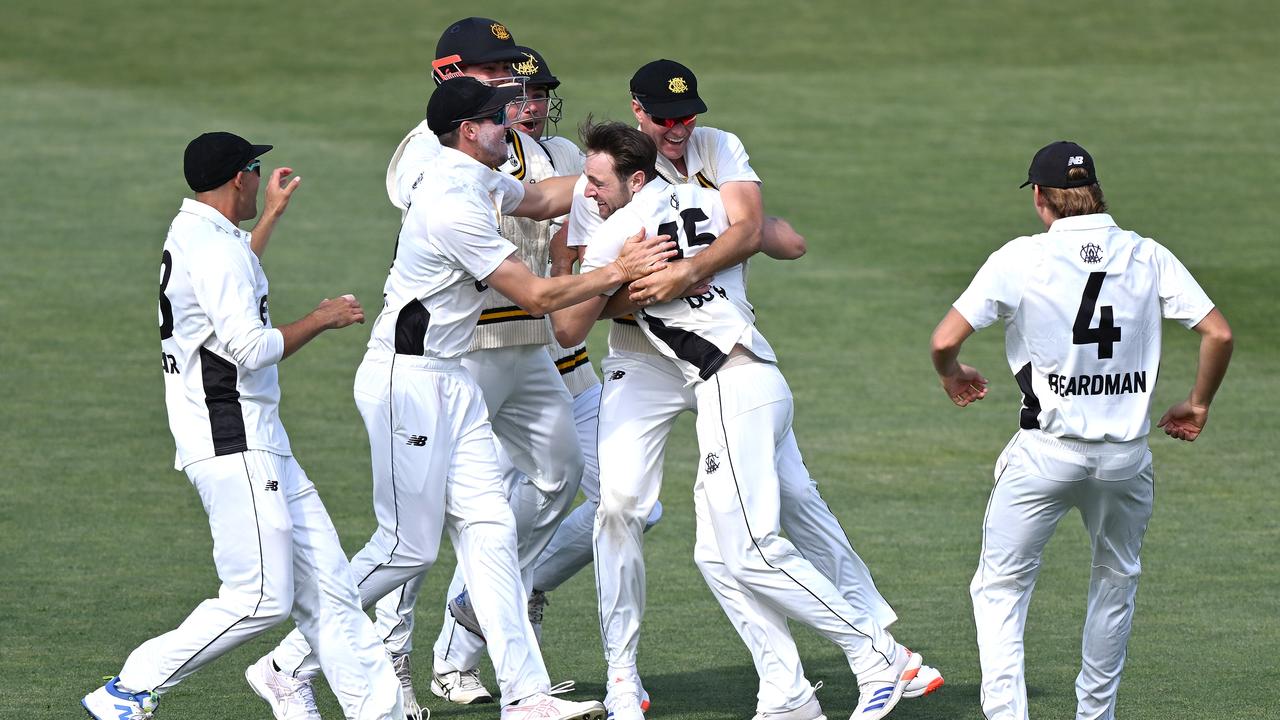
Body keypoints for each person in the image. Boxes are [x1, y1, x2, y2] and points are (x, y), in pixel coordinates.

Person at [253, 78, 674, 720]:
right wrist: (619, 269)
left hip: (451, 379)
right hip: (407, 382)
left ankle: (527, 697)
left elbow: (537, 198)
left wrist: (635, 177)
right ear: (470, 130)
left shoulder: (481, 176)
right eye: (498, 119)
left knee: (493, 532)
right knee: (406, 548)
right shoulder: (451, 200)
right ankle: (286, 666)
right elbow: (534, 296)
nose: (513, 126)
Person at [558, 61, 942, 720]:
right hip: (653, 362)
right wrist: (637, 279)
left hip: (727, 369)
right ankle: (659, 677)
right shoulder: (610, 191)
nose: (681, 128)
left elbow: (773, 235)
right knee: (644, 515)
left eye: (688, 117)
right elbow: (762, 237)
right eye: (665, 118)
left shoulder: (712, 154)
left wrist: (682, 275)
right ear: (639, 115)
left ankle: (872, 654)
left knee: (773, 520)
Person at [81, 132, 405, 720]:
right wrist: (322, 318)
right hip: (233, 442)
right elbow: (250, 348)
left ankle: (377, 712)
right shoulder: (215, 250)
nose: (260, 177)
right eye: (255, 168)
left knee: (331, 590)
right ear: (238, 178)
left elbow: (231, 286)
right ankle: (129, 687)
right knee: (259, 598)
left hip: (259, 442)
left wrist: (271, 218)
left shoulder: (201, 234)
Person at [929, 141, 1233, 720]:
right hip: (1125, 460)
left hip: (1044, 455)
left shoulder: (1019, 258)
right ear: (1095, 192)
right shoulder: (1147, 254)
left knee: (999, 591)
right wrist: (1197, 404)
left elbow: (945, 340)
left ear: (1041, 197)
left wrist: (953, 374)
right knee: (1115, 585)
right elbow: (1217, 333)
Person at [372, 24, 596, 716]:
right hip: (447, 358)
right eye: (497, 70)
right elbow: (503, 251)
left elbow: (541, 201)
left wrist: (623, 172)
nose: (512, 81)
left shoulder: (505, 149)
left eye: (512, 71)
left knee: (547, 487)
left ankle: (495, 638)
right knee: (415, 534)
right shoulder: (429, 159)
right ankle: (379, 664)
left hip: (519, 351)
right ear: (452, 77)